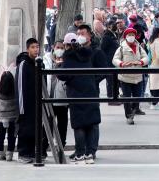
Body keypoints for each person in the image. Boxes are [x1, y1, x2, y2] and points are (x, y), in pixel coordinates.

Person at [60, 27, 103, 164]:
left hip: (76, 93)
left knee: (79, 124)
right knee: (91, 123)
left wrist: (59, 66)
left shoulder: (69, 57)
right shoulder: (87, 54)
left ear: (67, 45)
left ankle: (80, 152)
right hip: (90, 91)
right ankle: (90, 153)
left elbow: (63, 75)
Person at [14, 38, 46, 163]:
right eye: (33, 47)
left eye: (37, 47)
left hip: (37, 102)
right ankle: (23, 153)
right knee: (25, 128)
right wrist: (21, 107)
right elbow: (20, 86)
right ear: (28, 49)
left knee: (36, 128)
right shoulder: (24, 64)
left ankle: (33, 152)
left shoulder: (40, 63)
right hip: (26, 103)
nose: (35, 49)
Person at [112, 27, 148, 123]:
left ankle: (134, 110)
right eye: (129, 35)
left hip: (137, 77)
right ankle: (129, 116)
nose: (131, 37)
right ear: (125, 37)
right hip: (125, 77)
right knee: (127, 98)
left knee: (137, 98)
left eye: (132, 35)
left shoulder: (139, 47)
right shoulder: (121, 48)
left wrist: (141, 62)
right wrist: (121, 64)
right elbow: (115, 59)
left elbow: (146, 58)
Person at [44, 37, 71, 150]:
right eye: (58, 47)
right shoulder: (46, 59)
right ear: (53, 48)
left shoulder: (67, 60)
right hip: (49, 96)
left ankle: (61, 146)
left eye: (62, 48)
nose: (60, 50)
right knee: (48, 122)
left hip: (62, 97)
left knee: (62, 123)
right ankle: (45, 145)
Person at [0, 70, 18, 161]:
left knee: (0, 135)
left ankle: (0, 153)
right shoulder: (15, 91)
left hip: (1, 116)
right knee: (12, 136)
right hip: (12, 116)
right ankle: (9, 154)